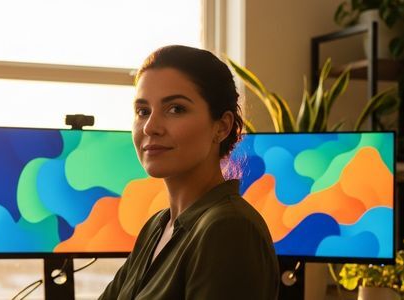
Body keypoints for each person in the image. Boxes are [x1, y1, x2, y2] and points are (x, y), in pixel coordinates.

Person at [99, 45, 279, 299]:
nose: (151, 127)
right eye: (143, 111)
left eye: (176, 109)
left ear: (222, 126)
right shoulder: (157, 226)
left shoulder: (229, 228)